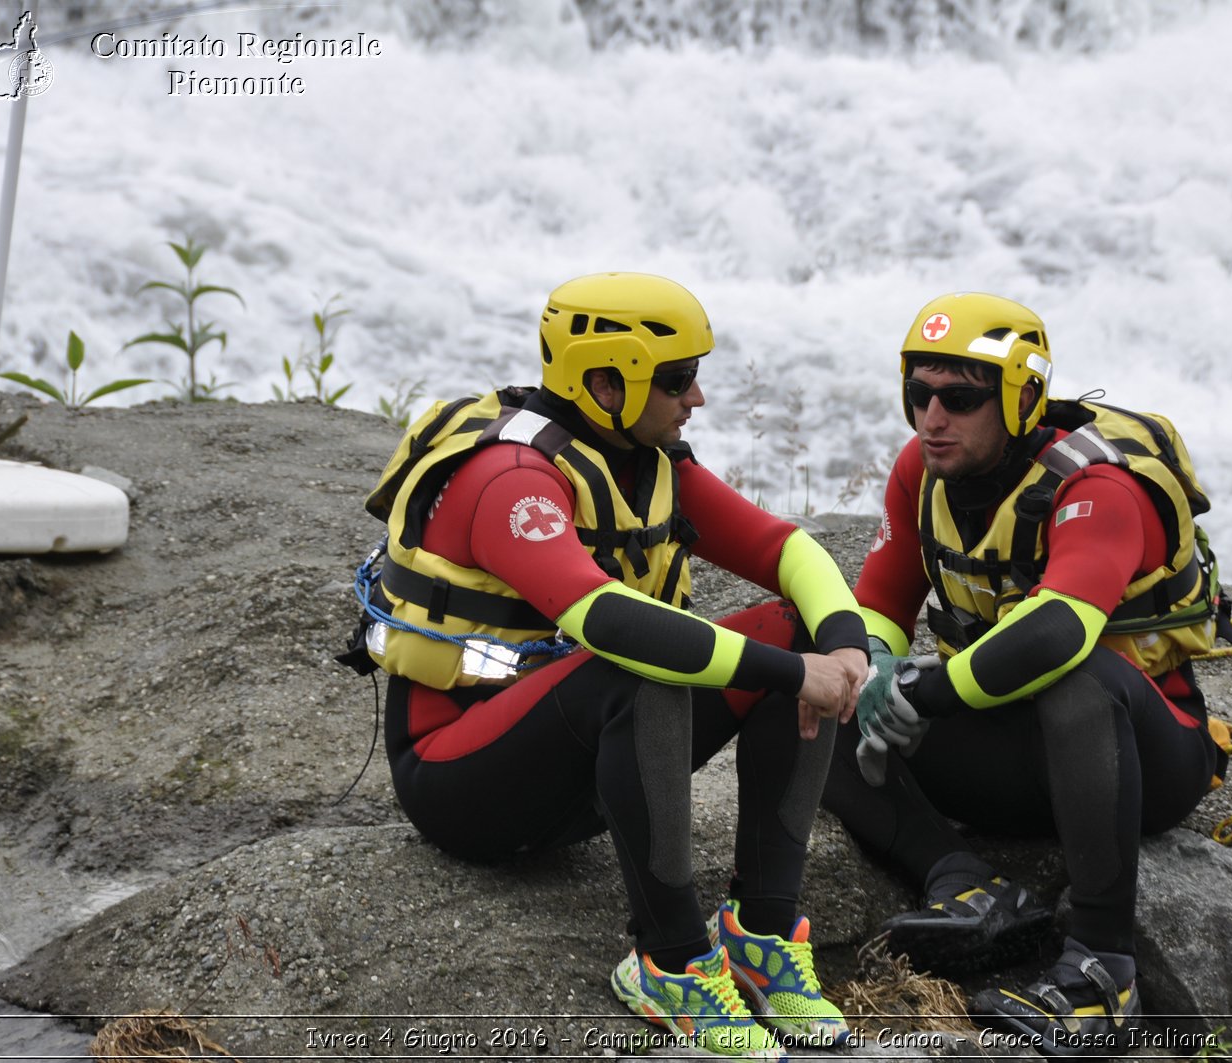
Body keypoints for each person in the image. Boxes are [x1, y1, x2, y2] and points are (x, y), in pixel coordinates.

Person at [352, 273, 868, 1061]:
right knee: (647, 661)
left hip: (584, 773)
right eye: (676, 380)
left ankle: (760, 931)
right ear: (604, 380)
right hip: (462, 782)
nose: (696, 398)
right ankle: (670, 960)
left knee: (794, 628)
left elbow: (783, 547)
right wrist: (794, 675)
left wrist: (842, 646)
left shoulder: (643, 456)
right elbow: (603, 618)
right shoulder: (513, 480)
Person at [821, 292, 1229, 1058]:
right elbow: (880, 598)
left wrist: (922, 691)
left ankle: (1103, 969)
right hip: (1012, 755)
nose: (932, 418)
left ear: (1021, 397)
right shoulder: (922, 470)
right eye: (919, 394)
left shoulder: (1098, 489)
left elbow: (1059, 629)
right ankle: (967, 885)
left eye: (961, 398)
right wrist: (871, 666)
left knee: (1076, 673)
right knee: (809, 685)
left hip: (1140, 757)